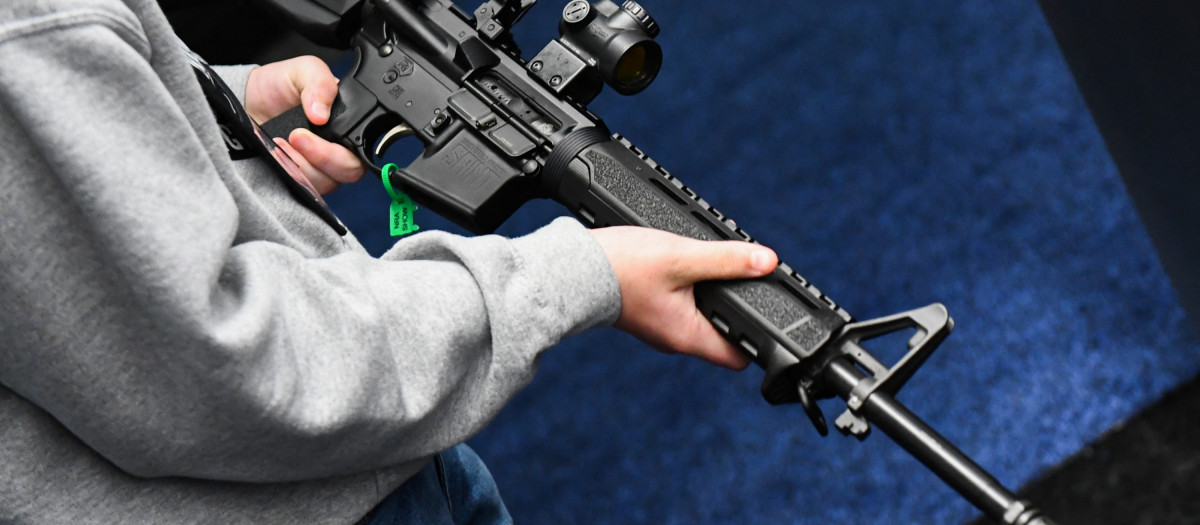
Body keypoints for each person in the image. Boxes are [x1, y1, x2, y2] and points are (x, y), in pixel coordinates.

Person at [0, 0, 778, 523]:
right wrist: (579, 277)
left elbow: (74, 132)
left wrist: (223, 108)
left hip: (368, 465)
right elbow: (227, 365)